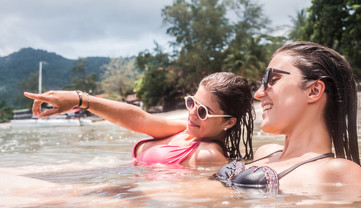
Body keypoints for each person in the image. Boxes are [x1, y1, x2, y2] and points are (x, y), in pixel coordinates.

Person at [213, 41, 361, 193]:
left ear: (314, 91)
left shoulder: (340, 173)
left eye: (273, 80)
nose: (258, 93)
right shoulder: (266, 152)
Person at [24, 72, 254, 167]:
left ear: (228, 122)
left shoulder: (209, 155)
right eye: (192, 102)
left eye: (203, 111)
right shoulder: (189, 130)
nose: (192, 113)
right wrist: (81, 99)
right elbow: (140, 120)